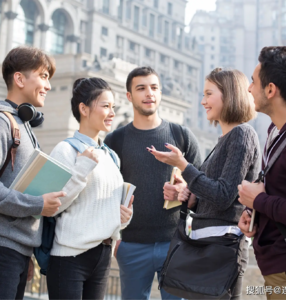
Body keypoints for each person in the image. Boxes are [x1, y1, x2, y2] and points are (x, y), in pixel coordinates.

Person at [148, 68, 260, 300]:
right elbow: (212, 196)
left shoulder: (242, 134)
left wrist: (184, 166)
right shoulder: (224, 140)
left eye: (209, 94)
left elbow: (223, 195)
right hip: (205, 243)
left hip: (222, 246)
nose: (203, 101)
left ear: (229, 94)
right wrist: (188, 195)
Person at [104, 66, 201, 300]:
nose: (149, 93)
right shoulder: (115, 139)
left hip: (176, 244)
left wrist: (184, 190)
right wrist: (114, 239)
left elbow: (203, 185)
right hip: (131, 246)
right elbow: (105, 192)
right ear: (129, 96)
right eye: (141, 88)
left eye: (154, 87)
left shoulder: (182, 135)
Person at [46, 77, 133, 300]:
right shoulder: (65, 150)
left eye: (113, 107)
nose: (112, 112)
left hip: (103, 257)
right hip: (69, 258)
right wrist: (83, 167)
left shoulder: (111, 156)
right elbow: (52, 207)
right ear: (83, 108)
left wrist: (123, 218)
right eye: (105, 106)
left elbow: (101, 208)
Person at [0, 46, 64, 300]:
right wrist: (38, 204)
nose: (48, 85)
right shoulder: (4, 123)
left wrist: (26, 251)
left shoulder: (25, 127)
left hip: (17, 251)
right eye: (43, 76)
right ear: (19, 78)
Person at [238, 46, 286, 299]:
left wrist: (259, 201)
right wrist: (253, 211)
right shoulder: (276, 133)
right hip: (278, 268)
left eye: (253, 82)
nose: (249, 88)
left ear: (271, 89)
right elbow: (282, 189)